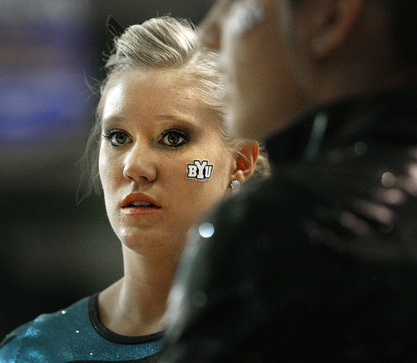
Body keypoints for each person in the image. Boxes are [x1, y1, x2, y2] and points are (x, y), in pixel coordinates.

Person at [0, 16, 268, 362]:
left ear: (240, 161)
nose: (135, 167)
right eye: (119, 137)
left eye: (173, 138)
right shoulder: (34, 352)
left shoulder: (295, 334)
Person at [161, 0, 417, 361]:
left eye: (234, 4)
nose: (206, 35)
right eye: (118, 136)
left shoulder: (281, 225)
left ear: (331, 17)